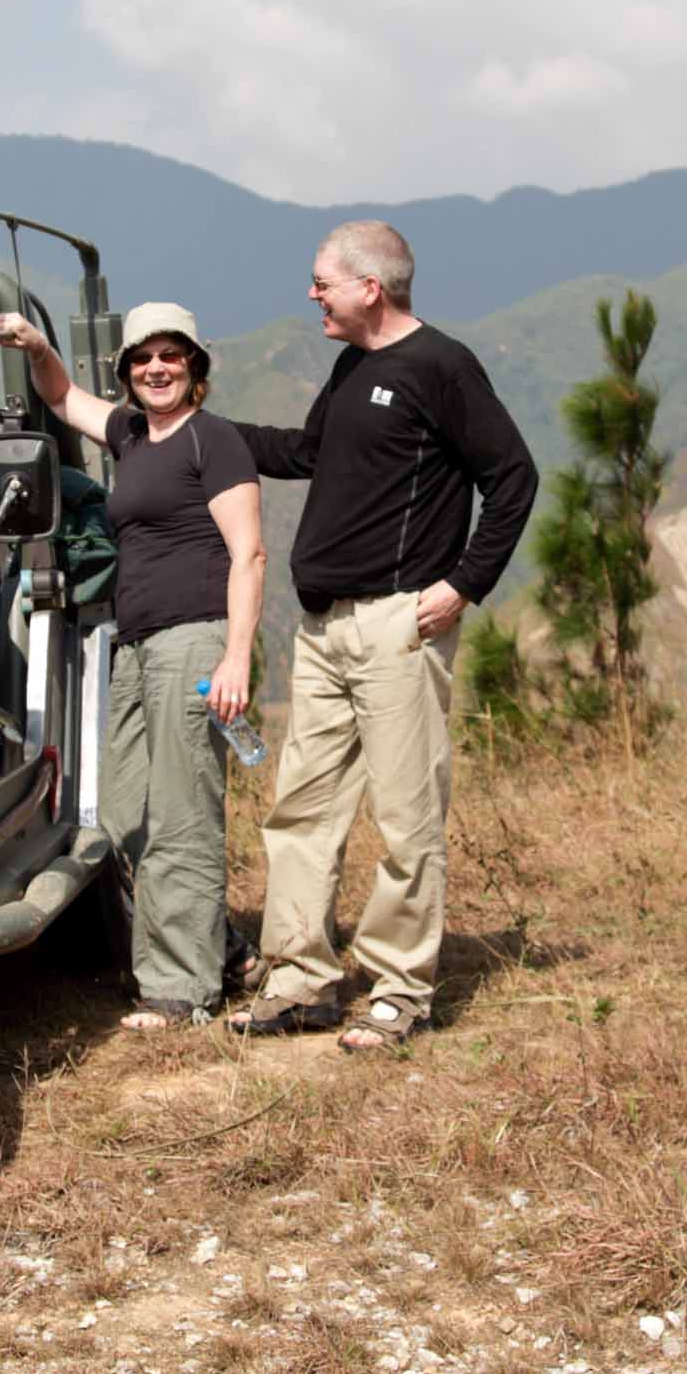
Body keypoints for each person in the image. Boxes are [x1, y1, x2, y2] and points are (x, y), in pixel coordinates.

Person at [226, 220, 536, 1053]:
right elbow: (306, 453)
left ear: (370, 286)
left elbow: (512, 477)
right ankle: (300, 981)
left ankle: (401, 989)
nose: (311, 294)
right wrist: (209, 433)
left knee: (406, 816)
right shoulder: (353, 364)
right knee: (302, 811)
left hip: (398, 625)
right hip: (325, 630)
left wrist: (465, 584)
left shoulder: (441, 366)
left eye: (321, 281)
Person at [0, 301, 264, 1029]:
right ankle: (222, 950)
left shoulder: (216, 441)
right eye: (142, 359)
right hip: (137, 645)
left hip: (195, 642)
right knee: (121, 814)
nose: (156, 369)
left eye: (171, 356)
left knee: (180, 816)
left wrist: (237, 656)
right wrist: (36, 343)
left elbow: (249, 553)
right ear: (126, 372)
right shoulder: (131, 436)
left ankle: (182, 993)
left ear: (194, 367)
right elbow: (57, 394)